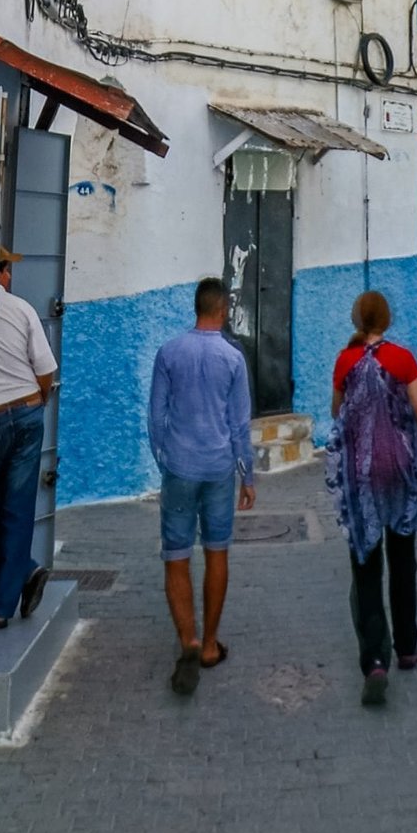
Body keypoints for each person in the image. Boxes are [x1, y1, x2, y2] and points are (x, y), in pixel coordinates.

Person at [326, 290, 417, 706]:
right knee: (403, 561)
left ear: (357, 320)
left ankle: (374, 661)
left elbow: (337, 413)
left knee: (366, 566)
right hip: (402, 474)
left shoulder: (345, 361)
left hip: (362, 477)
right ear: (386, 320)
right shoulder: (403, 359)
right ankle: (407, 647)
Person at [147, 276, 257, 695]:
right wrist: (247, 474)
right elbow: (239, 423)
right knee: (216, 551)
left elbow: (156, 416)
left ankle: (188, 641)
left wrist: (164, 458)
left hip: (180, 466)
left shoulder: (169, 352)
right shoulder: (232, 358)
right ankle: (210, 645)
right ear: (223, 309)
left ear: (196, 307)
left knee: (176, 555)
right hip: (218, 468)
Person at [0, 247, 58, 629]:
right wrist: (39, 399)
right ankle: (1, 605)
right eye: (5, 269)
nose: (9, 276)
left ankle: (23, 572)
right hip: (27, 412)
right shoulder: (22, 308)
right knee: (17, 509)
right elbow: (45, 368)